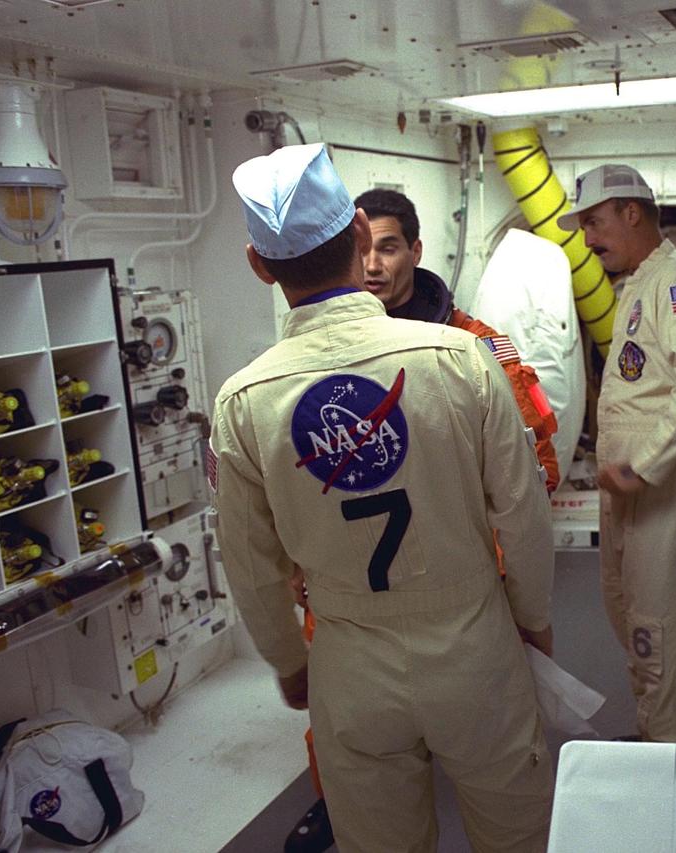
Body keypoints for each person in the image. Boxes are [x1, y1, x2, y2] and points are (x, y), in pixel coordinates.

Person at [211, 143, 556, 853]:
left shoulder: (242, 401)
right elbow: (523, 513)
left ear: (258, 265)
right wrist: (534, 619)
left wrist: (288, 659)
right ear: (362, 234)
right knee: (517, 833)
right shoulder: (459, 358)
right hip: (473, 644)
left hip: (348, 659)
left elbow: (250, 564)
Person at [556, 163, 676, 744]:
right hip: (629, 490)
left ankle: (674, 743)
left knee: (656, 623)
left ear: (632, 212)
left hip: (664, 487)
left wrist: (645, 465)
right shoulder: (638, 285)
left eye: (595, 222)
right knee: (626, 610)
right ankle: (660, 726)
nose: (587, 238)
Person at [356, 187, 560, 492]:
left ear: (415, 252)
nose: (371, 265)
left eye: (387, 249)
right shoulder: (339, 347)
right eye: (361, 250)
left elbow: (539, 470)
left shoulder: (474, 344)